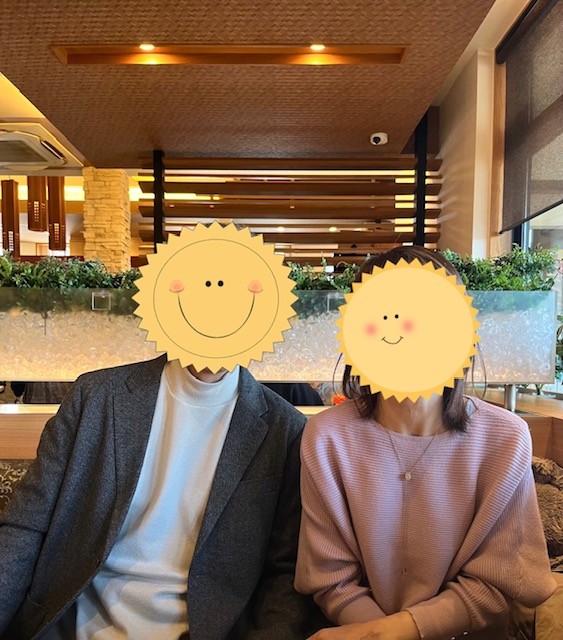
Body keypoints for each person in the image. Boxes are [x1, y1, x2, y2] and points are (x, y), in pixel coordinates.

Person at [295, 246, 557, 640]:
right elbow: (331, 578)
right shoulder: (327, 437)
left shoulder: (504, 437)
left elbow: (500, 578)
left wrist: (387, 634)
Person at [0, 356, 320, 639]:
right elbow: (25, 526)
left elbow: (285, 573)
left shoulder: (285, 429)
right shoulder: (95, 396)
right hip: (69, 625)